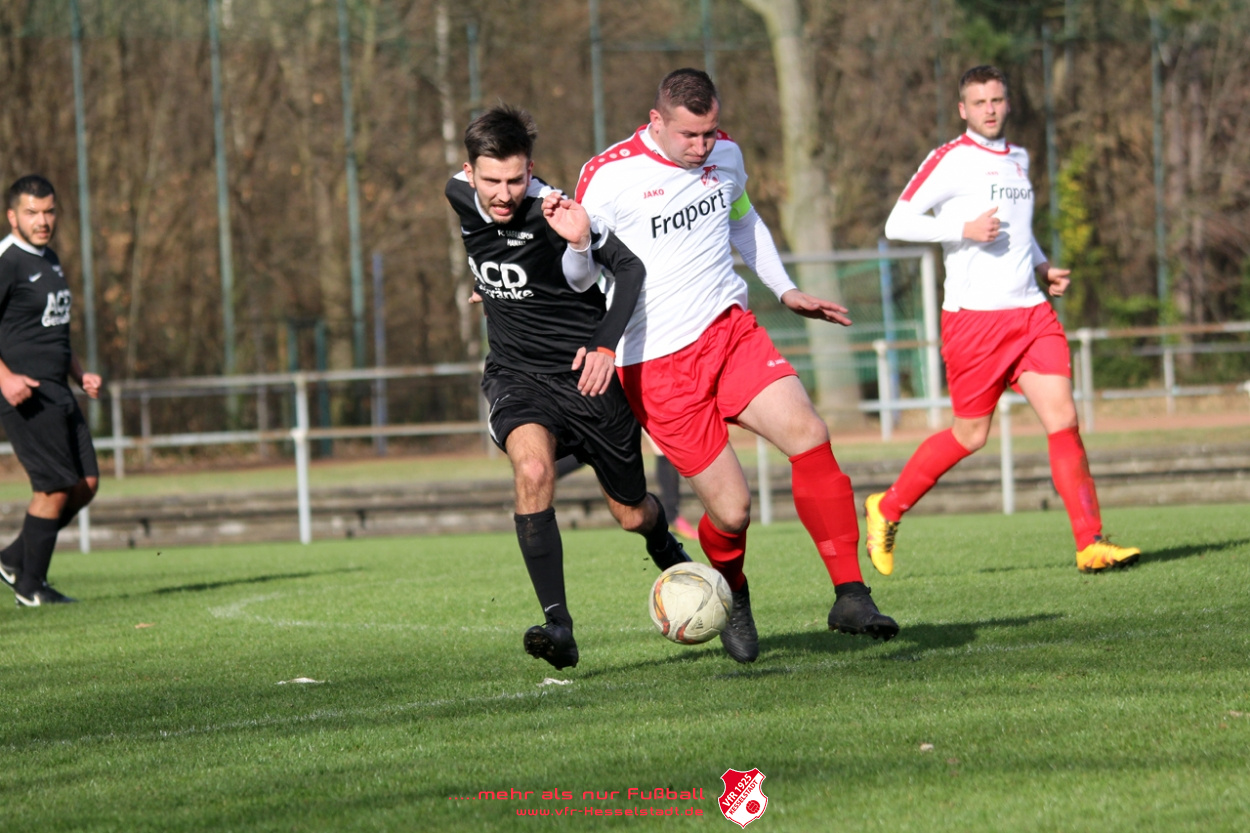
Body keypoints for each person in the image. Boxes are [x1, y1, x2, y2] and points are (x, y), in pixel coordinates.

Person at [569, 68, 899, 664]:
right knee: (732, 511)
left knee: (809, 434)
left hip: (730, 331)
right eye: (689, 135)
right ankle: (733, 593)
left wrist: (784, 288)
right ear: (656, 122)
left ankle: (851, 595)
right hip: (658, 364)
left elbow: (744, 220)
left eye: (710, 132)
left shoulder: (726, 155)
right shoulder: (608, 176)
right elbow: (581, 272)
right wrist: (565, 273)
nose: (703, 146)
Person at [445, 105, 690, 671]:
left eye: (516, 180)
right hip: (517, 375)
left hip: (587, 379)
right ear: (469, 172)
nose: (504, 194)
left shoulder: (557, 208)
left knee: (632, 513)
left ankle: (666, 546)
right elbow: (497, 251)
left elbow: (627, 270)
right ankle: (558, 625)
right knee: (532, 470)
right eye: (491, 181)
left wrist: (603, 338)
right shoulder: (457, 194)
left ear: (530, 170)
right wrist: (491, 284)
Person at [873, 65, 1140, 575]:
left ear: (1008, 102)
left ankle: (1090, 543)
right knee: (970, 436)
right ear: (963, 109)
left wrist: (1040, 265)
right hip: (976, 322)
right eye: (979, 102)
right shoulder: (950, 159)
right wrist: (963, 227)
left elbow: (1019, 228)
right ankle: (887, 507)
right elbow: (897, 222)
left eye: (996, 100)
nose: (990, 109)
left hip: (1031, 312)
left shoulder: (1019, 158)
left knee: (1064, 419)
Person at [0, 175, 102, 606]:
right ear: (12, 216)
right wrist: (5, 378)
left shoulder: (51, 260)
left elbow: (54, 331)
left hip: (58, 389)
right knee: (54, 487)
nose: (42, 221)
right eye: (32, 213)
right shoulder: (7, 261)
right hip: (24, 392)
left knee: (86, 484)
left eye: (49, 211)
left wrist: (80, 373)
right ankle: (31, 587)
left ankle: (12, 559)